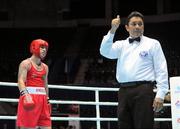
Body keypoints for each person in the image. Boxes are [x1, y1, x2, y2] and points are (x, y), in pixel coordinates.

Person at [99, 11, 169, 129]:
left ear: (143, 27)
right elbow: (104, 51)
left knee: (144, 126)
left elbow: (161, 69)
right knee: (124, 125)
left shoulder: (153, 44)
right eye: (134, 24)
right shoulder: (121, 45)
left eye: (140, 24)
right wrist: (112, 30)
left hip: (144, 91)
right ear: (127, 27)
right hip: (123, 91)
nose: (137, 26)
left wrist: (161, 94)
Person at [16, 39, 52, 129]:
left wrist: (47, 99)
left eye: (45, 48)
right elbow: (20, 81)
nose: (44, 50)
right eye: (42, 47)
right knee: (28, 127)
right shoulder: (26, 63)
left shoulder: (45, 67)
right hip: (30, 98)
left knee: (47, 126)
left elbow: (45, 85)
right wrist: (26, 95)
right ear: (34, 47)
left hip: (43, 100)